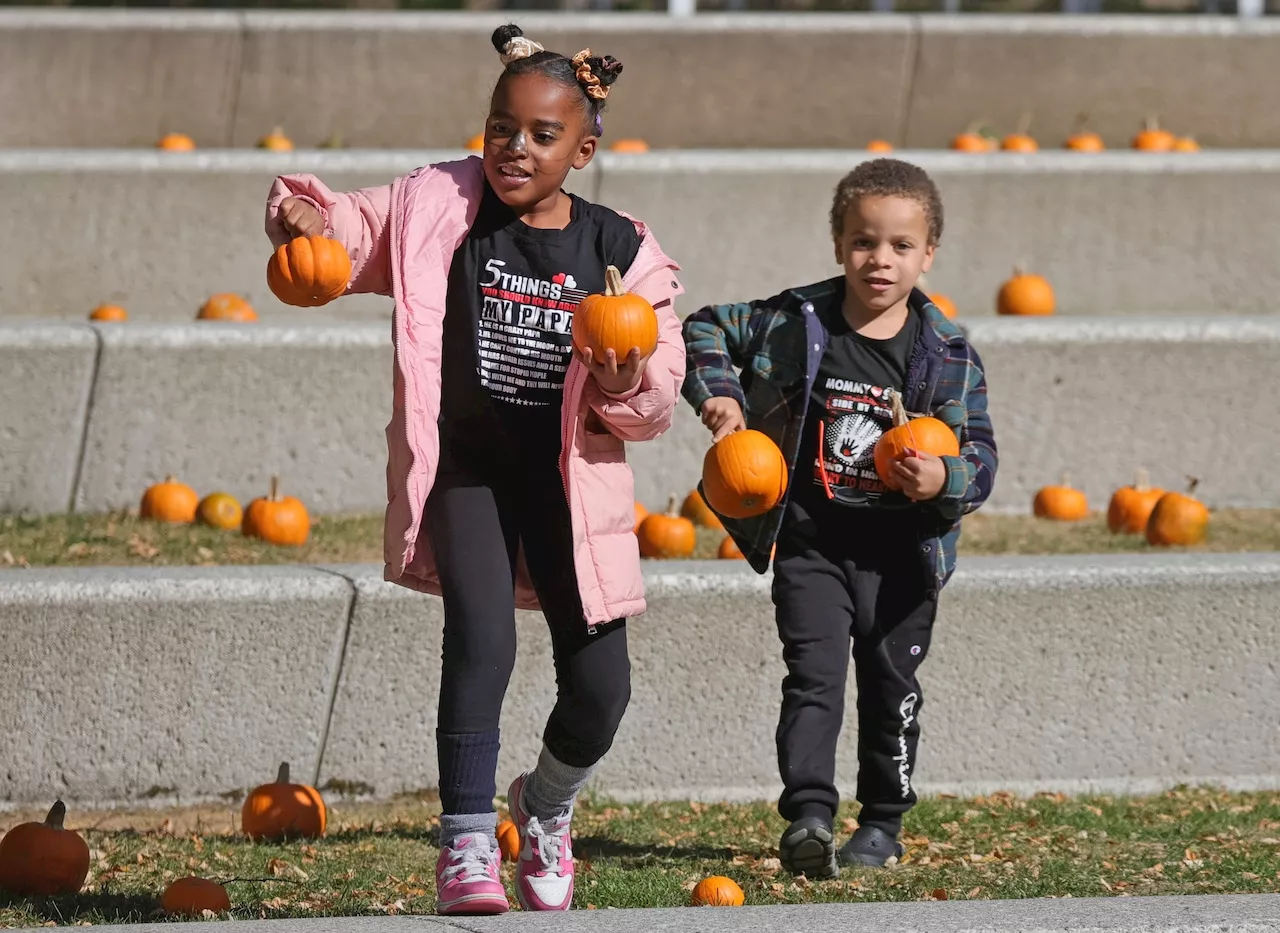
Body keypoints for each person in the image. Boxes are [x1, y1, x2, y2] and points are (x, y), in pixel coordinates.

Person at [264, 24, 685, 915]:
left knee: (603, 687)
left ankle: (546, 803)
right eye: (502, 128)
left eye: (541, 135)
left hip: (569, 488)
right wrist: (305, 217)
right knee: (481, 641)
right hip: (467, 474)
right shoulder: (438, 208)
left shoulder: (620, 250)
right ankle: (463, 842)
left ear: (584, 148)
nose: (515, 149)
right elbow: (351, 228)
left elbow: (655, 397)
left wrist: (626, 377)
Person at [680, 158, 997, 878]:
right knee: (814, 676)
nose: (879, 259)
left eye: (899, 245)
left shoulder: (948, 356)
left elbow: (980, 458)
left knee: (891, 688)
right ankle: (810, 817)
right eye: (863, 241)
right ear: (837, 242)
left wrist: (944, 475)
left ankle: (882, 821)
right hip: (812, 545)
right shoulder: (799, 323)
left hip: (902, 557)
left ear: (928, 254)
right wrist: (721, 395)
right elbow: (704, 328)